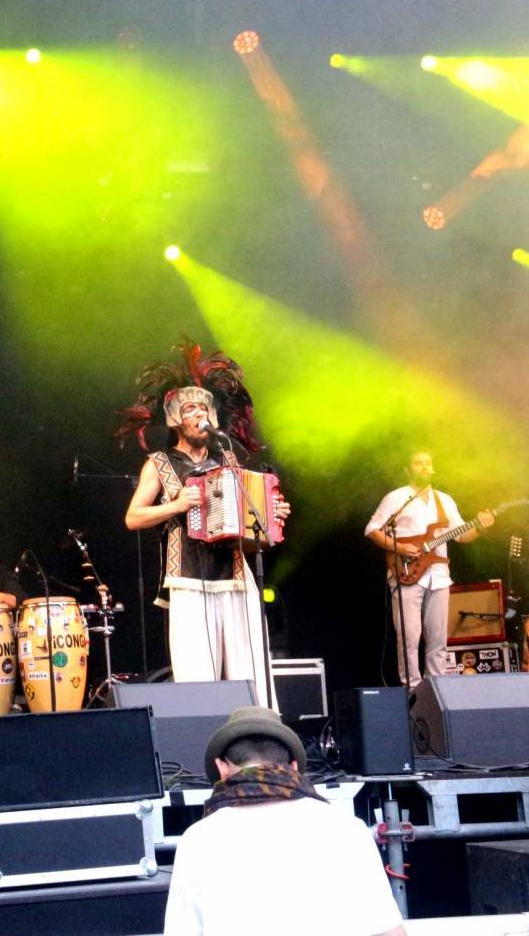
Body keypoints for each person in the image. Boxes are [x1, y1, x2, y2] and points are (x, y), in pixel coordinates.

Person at [118, 339, 289, 704]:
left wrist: (271, 518)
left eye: (204, 409)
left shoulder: (229, 459)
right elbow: (133, 518)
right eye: (190, 409)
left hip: (235, 578)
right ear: (175, 419)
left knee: (251, 671)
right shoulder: (160, 463)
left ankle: (259, 727)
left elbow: (251, 530)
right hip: (187, 580)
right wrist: (177, 505)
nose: (199, 415)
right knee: (196, 676)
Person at [164, 706, 405, 936]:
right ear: (294, 767)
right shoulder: (348, 829)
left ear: (221, 768)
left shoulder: (198, 840)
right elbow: (390, 932)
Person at [364, 450, 494, 689]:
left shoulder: (445, 500)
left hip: (439, 575)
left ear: (433, 468)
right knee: (409, 637)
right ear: (408, 470)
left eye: (428, 463)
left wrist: (480, 527)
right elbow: (372, 529)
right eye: (418, 463)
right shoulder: (396, 498)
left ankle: (436, 688)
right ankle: (412, 690)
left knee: (438, 638)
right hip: (406, 572)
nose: (425, 467)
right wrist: (400, 547)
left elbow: (462, 535)